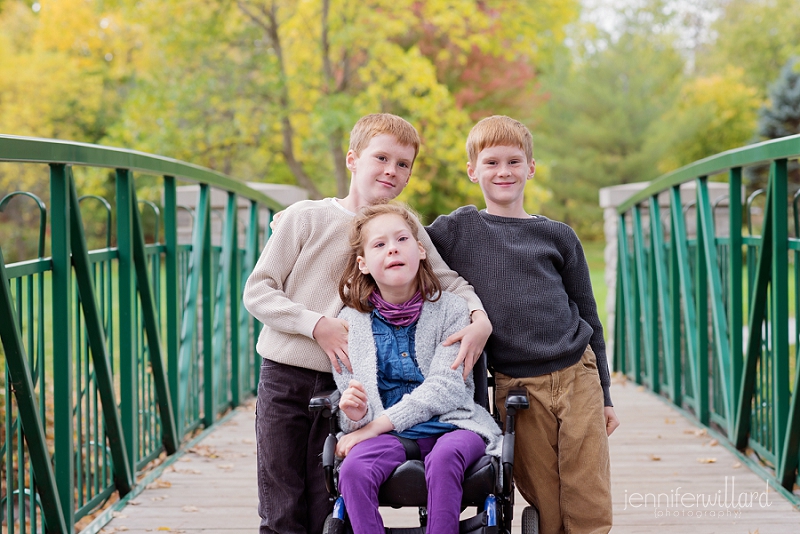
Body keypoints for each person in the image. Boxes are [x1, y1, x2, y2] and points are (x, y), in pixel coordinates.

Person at [242, 113, 492, 534]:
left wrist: (480, 320)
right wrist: (315, 323)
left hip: (348, 385)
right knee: (281, 500)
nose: (391, 170)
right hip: (287, 376)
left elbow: (450, 282)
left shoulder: (404, 228)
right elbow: (258, 290)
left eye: (403, 164)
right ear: (353, 159)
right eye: (381, 158)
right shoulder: (305, 217)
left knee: (327, 499)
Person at [425, 115, 620, 534]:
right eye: (491, 162)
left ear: (531, 167)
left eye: (514, 161)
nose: (503, 172)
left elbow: (589, 315)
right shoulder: (459, 229)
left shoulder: (558, 236)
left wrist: (605, 393)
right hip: (516, 386)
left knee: (588, 490)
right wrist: (326, 219)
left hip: (575, 371)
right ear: (472, 170)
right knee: (543, 496)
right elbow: (396, 236)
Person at [333, 202, 502, 533]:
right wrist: (355, 415)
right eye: (380, 244)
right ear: (363, 264)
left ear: (421, 250)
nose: (393, 248)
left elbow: (447, 386)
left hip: (453, 426)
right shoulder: (349, 324)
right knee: (353, 470)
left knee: (444, 459)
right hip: (391, 436)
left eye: (402, 239)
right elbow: (353, 404)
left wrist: (372, 427)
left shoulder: (451, 310)